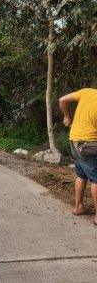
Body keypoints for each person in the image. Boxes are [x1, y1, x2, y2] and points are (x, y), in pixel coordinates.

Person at [59, 88, 97, 225]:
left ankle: (78, 207)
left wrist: (67, 117)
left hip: (74, 140)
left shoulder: (87, 92)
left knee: (81, 175)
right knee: (96, 178)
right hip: (89, 144)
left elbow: (62, 100)